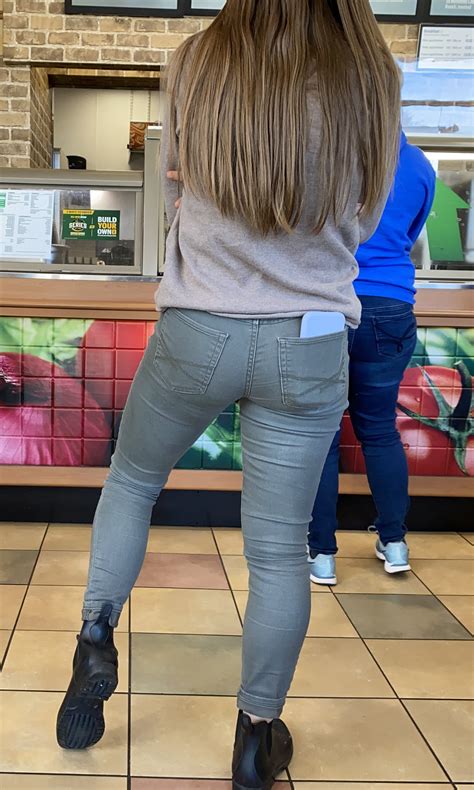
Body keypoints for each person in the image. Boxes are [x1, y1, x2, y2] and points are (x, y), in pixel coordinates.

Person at [56, 2, 401, 787]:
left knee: (134, 481)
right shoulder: (372, 72)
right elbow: (369, 213)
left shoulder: (198, 60)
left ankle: (96, 637)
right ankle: (254, 738)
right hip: (309, 340)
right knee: (278, 552)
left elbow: (180, 179)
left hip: (199, 328)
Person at [308, 132, 436, 586]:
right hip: (391, 305)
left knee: (321, 432)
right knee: (379, 430)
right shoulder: (419, 165)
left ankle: (321, 554)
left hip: (327, 303)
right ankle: (395, 542)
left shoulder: (329, 154)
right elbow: (410, 232)